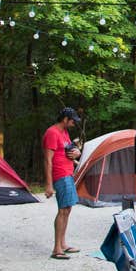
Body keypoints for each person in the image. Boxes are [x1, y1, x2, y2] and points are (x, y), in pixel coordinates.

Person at [43, 106, 82, 260]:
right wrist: (48, 184)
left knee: (67, 209)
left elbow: (68, 150)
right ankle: (56, 248)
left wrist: (76, 153)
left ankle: (63, 244)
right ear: (65, 119)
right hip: (60, 175)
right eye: (73, 121)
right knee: (62, 209)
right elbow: (47, 160)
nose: (74, 124)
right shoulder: (52, 133)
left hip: (68, 173)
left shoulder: (64, 132)